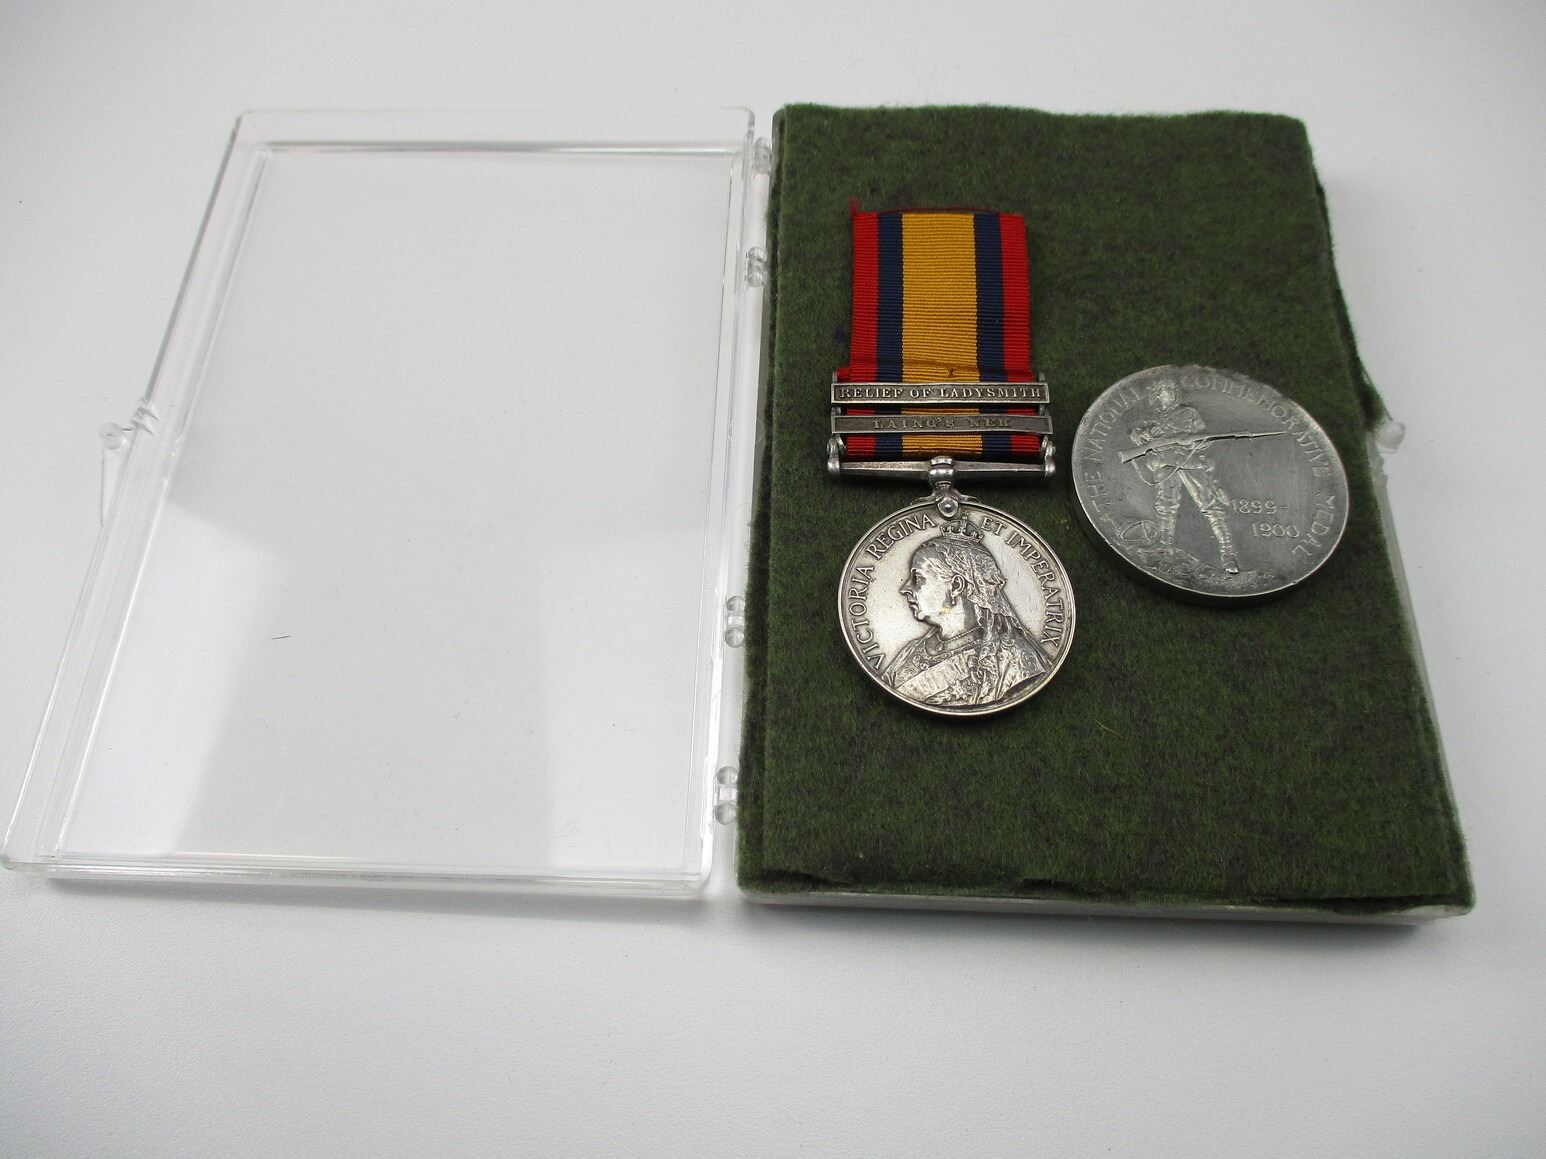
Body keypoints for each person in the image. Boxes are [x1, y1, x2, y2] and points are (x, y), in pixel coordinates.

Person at [883, 518, 1049, 708]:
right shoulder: (909, 652)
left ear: (956, 586)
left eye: (917, 579)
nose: (905, 588)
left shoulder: (1014, 659)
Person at [1127, 379, 1239, 574]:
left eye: (1171, 391)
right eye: (1164, 391)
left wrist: (1194, 442)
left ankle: (1228, 554)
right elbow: (1135, 435)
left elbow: (1204, 437)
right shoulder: (1153, 418)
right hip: (1164, 462)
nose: (1169, 394)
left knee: (1210, 506)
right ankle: (1165, 548)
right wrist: (1145, 435)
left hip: (1189, 461)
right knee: (1165, 506)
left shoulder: (1188, 413)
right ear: (1158, 395)